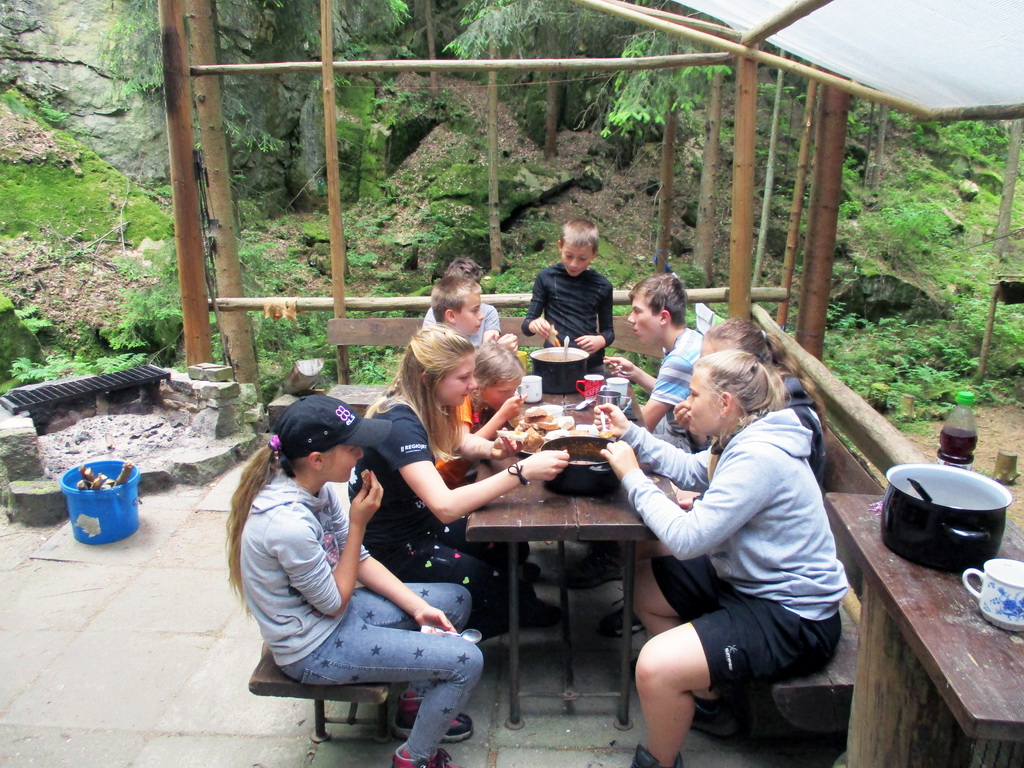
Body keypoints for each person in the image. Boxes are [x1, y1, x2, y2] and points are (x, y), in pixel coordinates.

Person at [595, 350, 848, 768]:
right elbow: (690, 469)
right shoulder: (742, 437)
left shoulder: (759, 456)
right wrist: (631, 434)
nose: (686, 403)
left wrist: (633, 477)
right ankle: (708, 702)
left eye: (694, 394)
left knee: (655, 668)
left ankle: (659, 758)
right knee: (646, 584)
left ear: (725, 403)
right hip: (749, 582)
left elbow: (686, 539)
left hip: (793, 614)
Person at [226, 395, 483, 768]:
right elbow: (334, 603)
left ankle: (413, 704)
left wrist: (419, 608)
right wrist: (359, 522)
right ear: (318, 459)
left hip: (334, 615)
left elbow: (358, 559)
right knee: (466, 661)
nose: (361, 454)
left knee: (455, 599)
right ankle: (415, 759)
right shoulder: (287, 526)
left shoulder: (316, 488)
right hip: (313, 646)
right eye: (352, 447)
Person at [352, 325, 569, 640]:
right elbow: (445, 506)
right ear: (429, 378)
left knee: (507, 544)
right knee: (496, 590)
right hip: (396, 549)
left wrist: (494, 449)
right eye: (464, 377)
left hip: (421, 524)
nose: (473, 385)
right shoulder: (399, 424)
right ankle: (476, 619)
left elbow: (461, 442)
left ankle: (512, 590)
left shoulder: (422, 402)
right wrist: (521, 471)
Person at [683, 317, 825, 485]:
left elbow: (756, 480)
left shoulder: (786, 415)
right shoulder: (752, 402)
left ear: (748, 366)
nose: (706, 368)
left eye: (718, 362)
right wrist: (697, 427)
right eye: (703, 361)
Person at [605, 274, 704, 451]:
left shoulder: (679, 361)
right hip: (678, 429)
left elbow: (642, 429)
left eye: (637, 311)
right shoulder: (690, 339)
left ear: (664, 317)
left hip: (689, 444)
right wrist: (635, 373)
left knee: (613, 444)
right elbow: (671, 392)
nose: (630, 318)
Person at [521, 218, 614, 373]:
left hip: (590, 364)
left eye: (582, 258)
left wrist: (600, 340)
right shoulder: (546, 277)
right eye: (569, 256)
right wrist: (533, 324)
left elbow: (609, 332)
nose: (574, 264)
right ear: (560, 246)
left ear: (594, 253)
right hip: (553, 361)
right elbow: (527, 326)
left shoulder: (602, 286)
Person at [423, 257, 517, 348]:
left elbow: (488, 346)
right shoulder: (436, 312)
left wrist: (497, 348)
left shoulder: (488, 312)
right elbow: (429, 347)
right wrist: (498, 350)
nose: (482, 316)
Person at [470, 343, 526, 439]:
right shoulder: (462, 404)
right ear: (480, 385)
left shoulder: (487, 405)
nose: (511, 397)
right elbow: (464, 445)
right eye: (505, 391)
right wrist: (502, 415)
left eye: (514, 390)